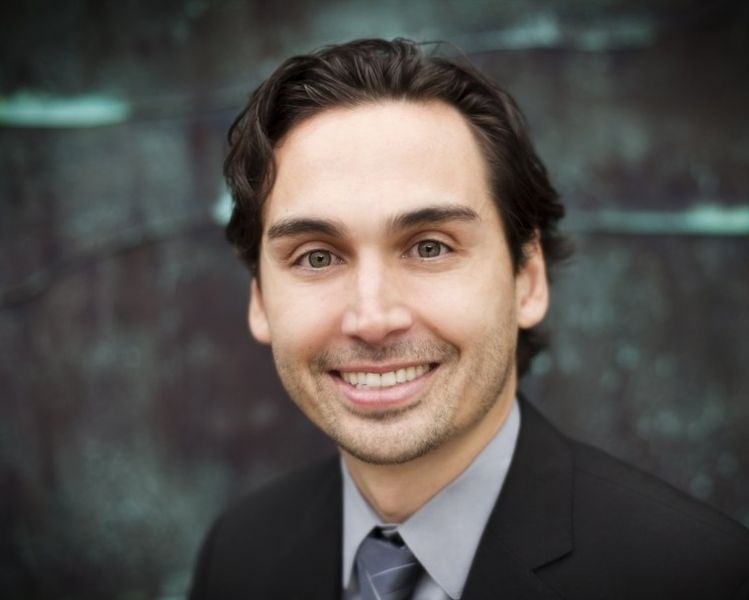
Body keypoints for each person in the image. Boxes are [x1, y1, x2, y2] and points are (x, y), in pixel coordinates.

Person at [188, 38, 749, 600]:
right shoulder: (237, 555)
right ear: (260, 299)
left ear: (528, 278)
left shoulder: (700, 577)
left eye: (429, 247)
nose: (373, 318)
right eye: (316, 257)